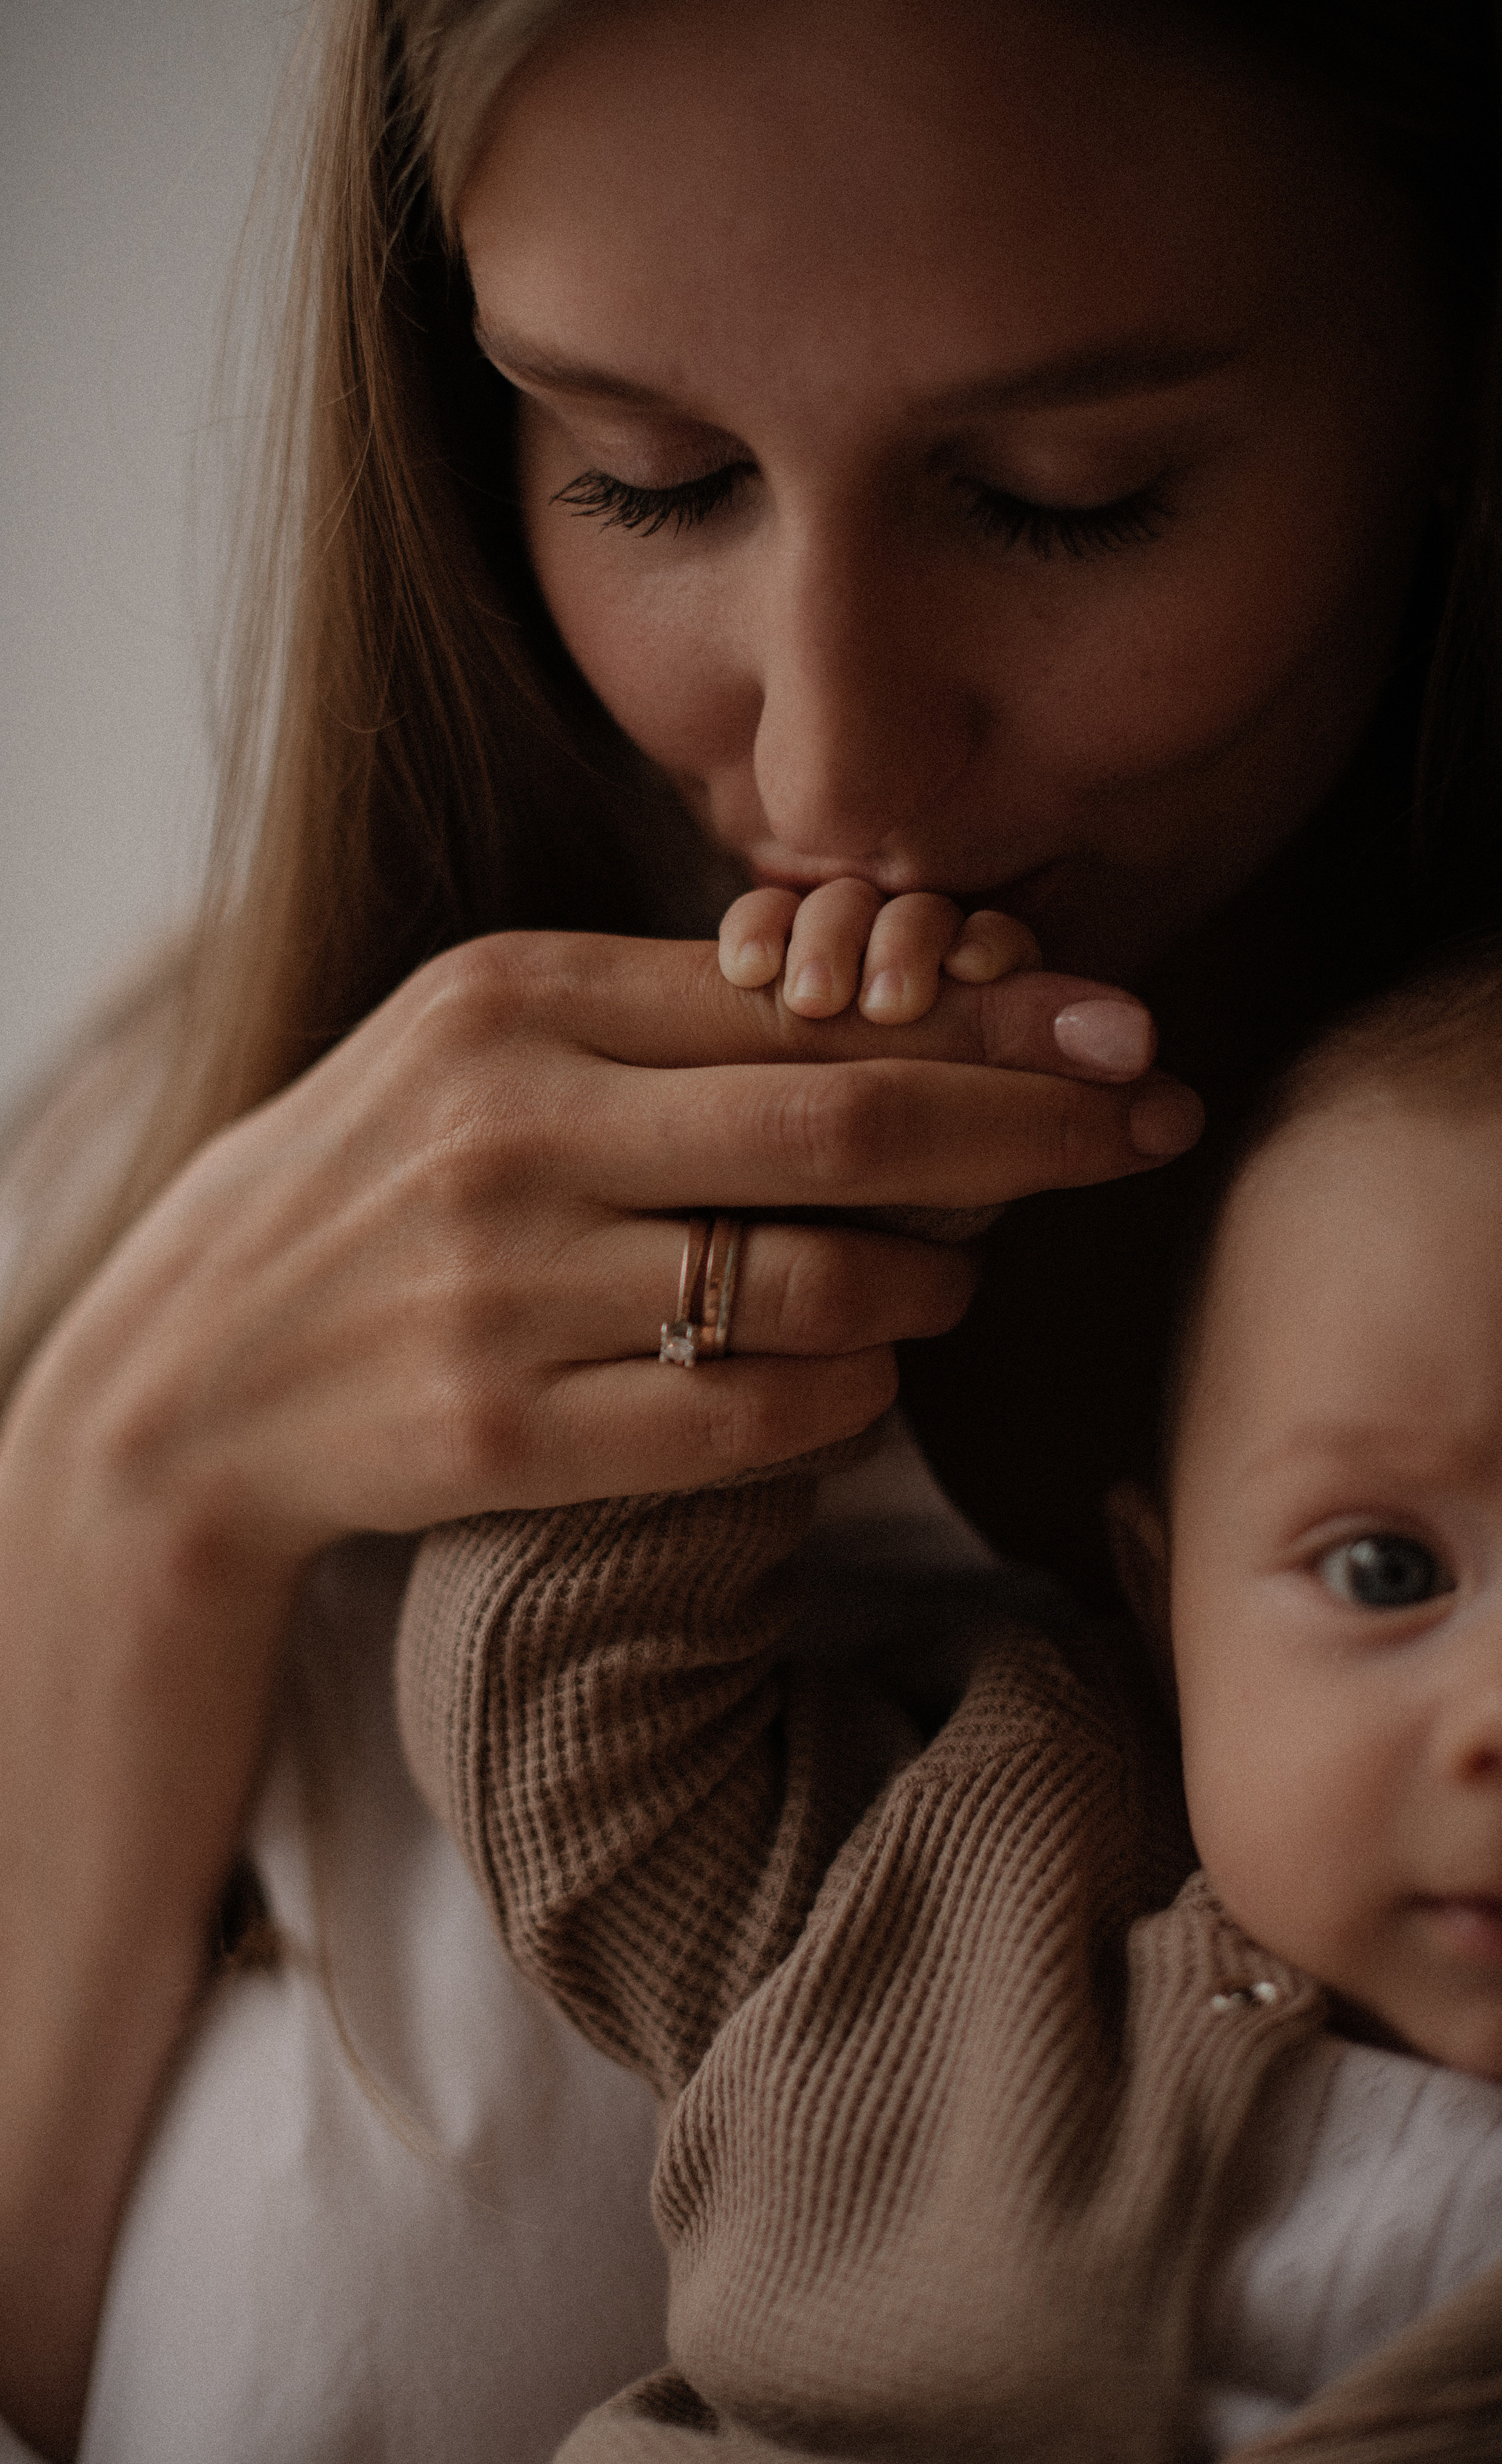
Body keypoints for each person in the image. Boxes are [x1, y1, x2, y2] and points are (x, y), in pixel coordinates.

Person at [0, 0, 1497, 2454]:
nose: (829, 762)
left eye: (1065, 494)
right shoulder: (182, 1160)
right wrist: (134, 1481)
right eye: (645, 478)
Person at [395, 932, 1502, 2461]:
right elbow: (571, 1731)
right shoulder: (974, 1885)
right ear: (1158, 1594)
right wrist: (848, 1175)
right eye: (1384, 1571)